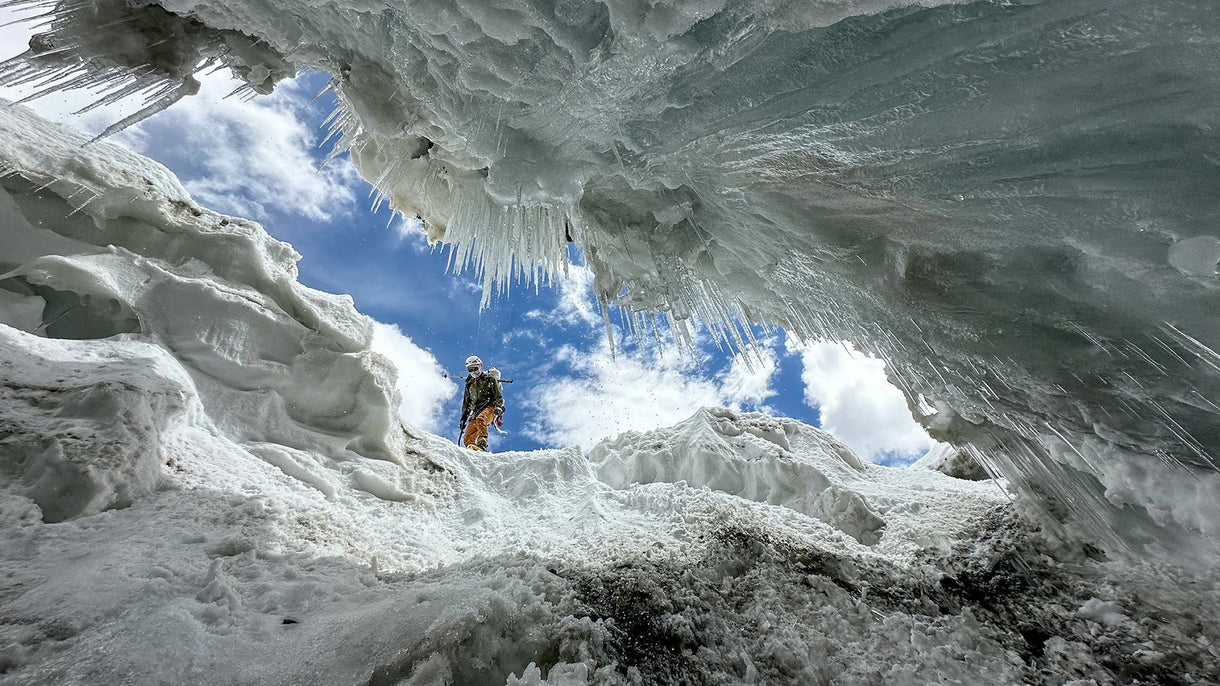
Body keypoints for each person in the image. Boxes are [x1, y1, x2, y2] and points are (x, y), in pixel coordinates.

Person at [459, 355, 504, 451]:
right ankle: (473, 449)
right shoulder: (470, 384)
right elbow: (466, 403)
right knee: (468, 435)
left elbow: (498, 395)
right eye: (470, 370)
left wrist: (498, 406)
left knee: (481, 419)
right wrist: (463, 419)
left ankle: (482, 442)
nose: (473, 372)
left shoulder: (490, 379)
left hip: (490, 407)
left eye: (475, 368)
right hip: (476, 411)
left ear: (480, 366)